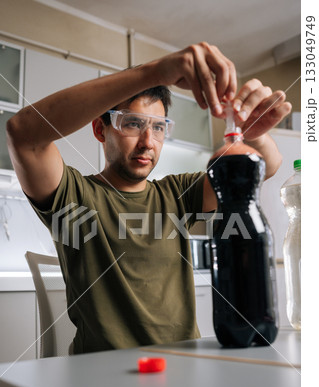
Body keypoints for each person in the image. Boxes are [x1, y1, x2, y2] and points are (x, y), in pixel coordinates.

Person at [7, 42, 291, 354]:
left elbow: (268, 164)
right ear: (101, 130)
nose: (148, 142)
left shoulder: (177, 194)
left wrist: (252, 131)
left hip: (185, 364)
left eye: (158, 128)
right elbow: (22, 133)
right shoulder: (73, 195)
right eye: (133, 123)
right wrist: (153, 72)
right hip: (101, 373)